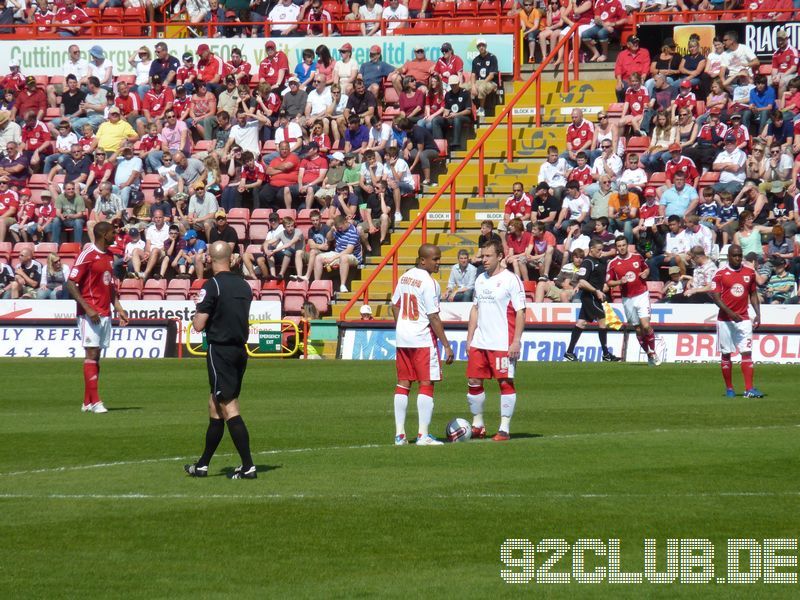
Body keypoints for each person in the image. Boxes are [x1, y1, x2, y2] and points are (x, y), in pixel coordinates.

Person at [185, 240, 257, 480]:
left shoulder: (212, 285)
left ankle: (248, 466)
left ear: (210, 258)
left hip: (220, 350)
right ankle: (203, 464)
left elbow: (198, 325)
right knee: (214, 405)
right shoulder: (245, 286)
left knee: (228, 405)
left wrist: (198, 306)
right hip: (239, 350)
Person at [391, 244, 454, 446]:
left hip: (403, 337)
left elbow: (394, 304)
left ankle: (400, 435)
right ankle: (422, 435)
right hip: (422, 339)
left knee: (403, 383)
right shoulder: (429, 283)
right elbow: (433, 316)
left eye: (439, 259)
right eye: (435, 259)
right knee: (426, 383)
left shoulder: (405, 276)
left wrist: (402, 325)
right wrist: (446, 345)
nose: (438, 263)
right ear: (422, 260)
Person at [66, 221, 130, 414]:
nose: (115, 235)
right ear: (103, 235)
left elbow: (109, 286)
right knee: (91, 353)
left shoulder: (110, 256)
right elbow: (71, 283)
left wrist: (118, 308)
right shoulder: (87, 255)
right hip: (90, 314)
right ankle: (96, 402)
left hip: (104, 312)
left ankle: (87, 401)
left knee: (97, 356)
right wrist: (87, 308)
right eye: (112, 232)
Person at [466, 239, 526, 442]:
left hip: (502, 342)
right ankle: (478, 424)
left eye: (488, 256)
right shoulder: (480, 279)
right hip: (480, 342)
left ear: (500, 256)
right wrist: (469, 338)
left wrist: (516, 341)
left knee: (505, 382)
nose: (484, 260)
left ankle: (504, 428)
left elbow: (520, 312)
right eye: (482, 256)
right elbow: (475, 308)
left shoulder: (511, 280)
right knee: (473, 381)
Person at [709, 243, 763, 398]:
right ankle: (730, 389)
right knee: (726, 354)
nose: (738, 258)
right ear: (729, 256)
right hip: (725, 320)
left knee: (747, 353)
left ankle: (749, 389)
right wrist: (730, 313)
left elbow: (752, 294)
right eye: (735, 255)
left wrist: (758, 313)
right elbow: (716, 297)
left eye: (740, 255)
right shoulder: (720, 274)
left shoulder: (749, 273)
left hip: (744, 318)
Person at [564, 238, 621, 362]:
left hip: (595, 297)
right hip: (590, 297)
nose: (601, 252)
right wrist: (596, 290)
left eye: (602, 249)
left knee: (581, 323)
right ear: (591, 249)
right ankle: (606, 355)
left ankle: (569, 352)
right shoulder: (588, 262)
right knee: (603, 321)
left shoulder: (600, 261)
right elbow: (582, 280)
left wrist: (603, 286)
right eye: (599, 250)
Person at [606, 237, 659, 366]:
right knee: (638, 329)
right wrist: (619, 282)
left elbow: (646, 268)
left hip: (641, 294)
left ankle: (653, 350)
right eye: (619, 246)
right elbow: (609, 282)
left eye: (624, 245)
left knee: (645, 325)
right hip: (627, 298)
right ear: (616, 247)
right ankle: (649, 354)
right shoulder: (613, 263)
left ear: (627, 245)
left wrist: (646, 273)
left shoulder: (637, 257)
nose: (622, 248)